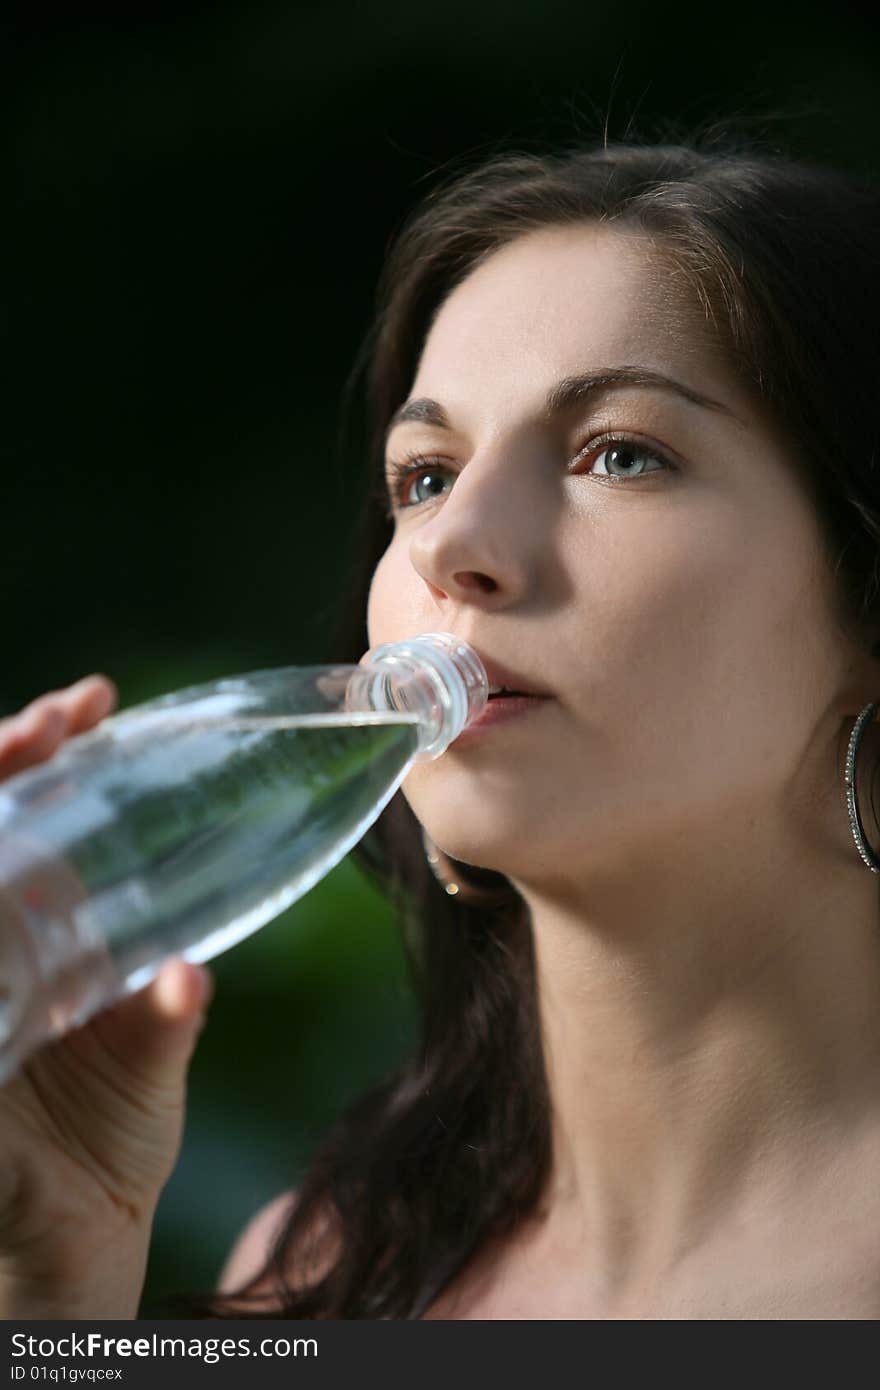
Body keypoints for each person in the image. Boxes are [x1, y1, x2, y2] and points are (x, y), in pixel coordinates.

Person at [3, 125, 880, 1320]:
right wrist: (50, 1291)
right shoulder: (317, 1272)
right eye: (424, 473)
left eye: (618, 453)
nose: (451, 545)